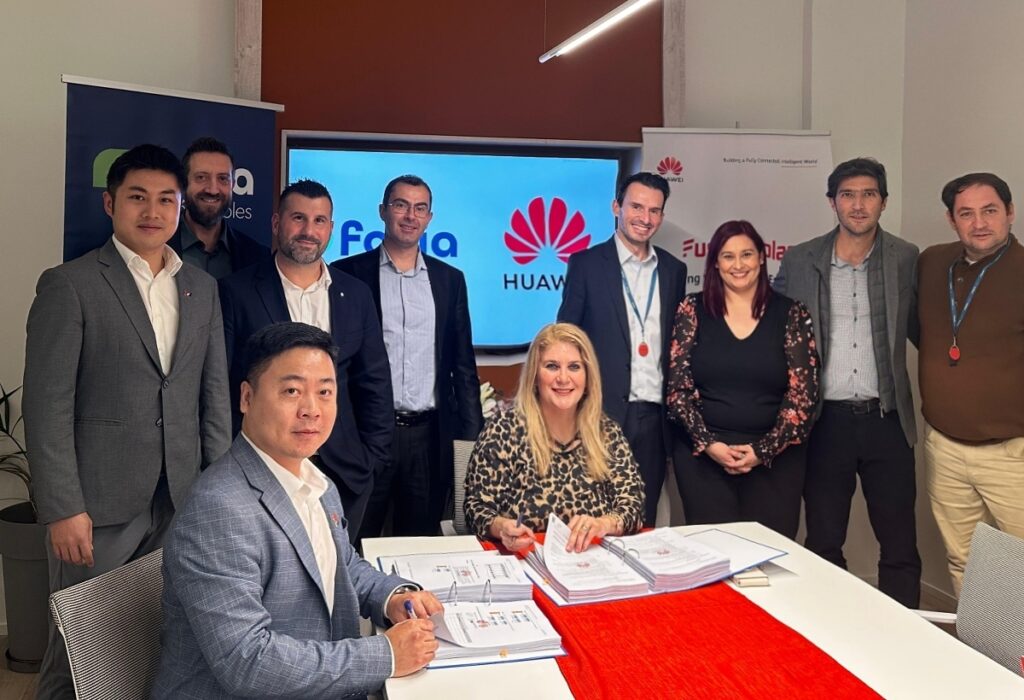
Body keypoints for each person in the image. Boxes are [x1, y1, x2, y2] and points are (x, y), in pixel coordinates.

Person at [23, 144, 231, 699]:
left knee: (159, 640)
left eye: (166, 199)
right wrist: (63, 508)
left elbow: (213, 399)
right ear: (110, 203)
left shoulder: (202, 288)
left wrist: (218, 494)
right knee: (80, 652)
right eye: (138, 197)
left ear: (180, 208)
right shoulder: (70, 284)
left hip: (180, 499)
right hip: (97, 508)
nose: (153, 211)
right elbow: (46, 406)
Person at [153, 322, 441, 699]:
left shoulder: (316, 481)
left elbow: (341, 565)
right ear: (247, 398)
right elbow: (248, 662)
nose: (311, 410)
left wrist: (393, 597)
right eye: (291, 391)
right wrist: (385, 655)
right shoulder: (219, 510)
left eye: (325, 392)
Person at [774, 158, 922, 607]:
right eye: (848, 195)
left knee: (899, 542)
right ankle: (831, 629)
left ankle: (902, 632)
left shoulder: (906, 258)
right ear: (832, 202)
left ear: (883, 202)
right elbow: (773, 332)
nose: (858, 205)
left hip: (886, 419)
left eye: (868, 194)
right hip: (825, 422)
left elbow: (927, 330)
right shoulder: (801, 259)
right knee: (823, 539)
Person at [219, 179, 393, 540]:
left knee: (338, 568)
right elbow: (223, 384)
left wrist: (372, 459)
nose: (308, 231)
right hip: (264, 469)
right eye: (298, 218)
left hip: (344, 473)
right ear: (276, 222)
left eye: (319, 221)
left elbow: (374, 381)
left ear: (330, 227)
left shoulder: (355, 294)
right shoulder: (236, 291)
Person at [335, 175, 484, 539]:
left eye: (420, 208)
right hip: (368, 435)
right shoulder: (346, 275)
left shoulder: (450, 280)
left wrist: (472, 439)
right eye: (401, 205)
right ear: (383, 211)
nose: (410, 216)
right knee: (355, 540)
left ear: (429, 218)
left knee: (420, 544)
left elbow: (463, 367)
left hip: (428, 439)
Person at [667, 221, 819, 539]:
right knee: (714, 557)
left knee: (770, 559)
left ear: (762, 258)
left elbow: (803, 396)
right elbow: (677, 389)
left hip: (776, 462)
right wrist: (710, 444)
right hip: (704, 462)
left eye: (746, 254)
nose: (738, 265)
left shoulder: (792, 314)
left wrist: (762, 450)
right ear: (715, 262)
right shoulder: (691, 310)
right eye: (728, 256)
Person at [558, 171, 687, 527]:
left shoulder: (673, 270)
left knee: (642, 520)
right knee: (593, 517)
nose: (645, 218)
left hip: (655, 417)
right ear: (616, 207)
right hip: (599, 413)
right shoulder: (586, 264)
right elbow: (567, 338)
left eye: (655, 211)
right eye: (636, 207)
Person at [917, 172, 1024, 594]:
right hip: (945, 448)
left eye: (990, 211)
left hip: (1012, 453)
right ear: (951, 219)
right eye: (966, 214)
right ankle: (980, 637)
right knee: (964, 561)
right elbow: (923, 332)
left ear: (1010, 212)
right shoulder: (931, 263)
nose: (979, 223)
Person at [464, 323, 645, 553]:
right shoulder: (503, 430)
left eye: (574, 367)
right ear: (534, 376)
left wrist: (604, 524)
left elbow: (634, 506)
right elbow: (476, 509)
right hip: (524, 558)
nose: (563, 378)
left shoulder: (607, 433)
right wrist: (502, 528)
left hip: (591, 559)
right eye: (552, 366)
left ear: (588, 377)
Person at [169, 136, 269, 278]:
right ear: (184, 183)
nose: (212, 190)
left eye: (222, 178)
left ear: (233, 185)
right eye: (201, 177)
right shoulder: (157, 246)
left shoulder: (258, 257)